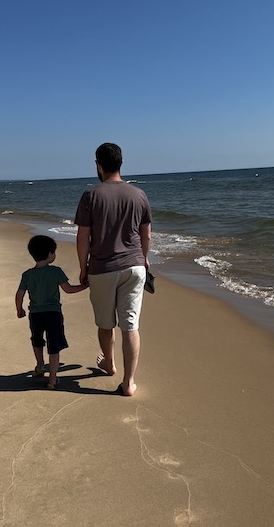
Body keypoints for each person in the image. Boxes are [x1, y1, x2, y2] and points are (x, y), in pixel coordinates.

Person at [75, 142, 152, 396]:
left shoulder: (91, 195)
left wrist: (82, 268)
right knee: (130, 325)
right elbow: (146, 236)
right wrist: (144, 258)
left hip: (102, 268)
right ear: (121, 163)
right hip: (134, 266)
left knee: (105, 323)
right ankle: (129, 383)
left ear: (98, 164)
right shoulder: (139, 194)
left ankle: (109, 364)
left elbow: (83, 237)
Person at [15, 235, 87, 389]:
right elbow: (68, 289)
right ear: (49, 254)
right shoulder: (55, 272)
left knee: (37, 340)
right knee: (54, 346)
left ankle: (40, 365)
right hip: (53, 313)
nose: (54, 255)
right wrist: (85, 286)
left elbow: (19, 294)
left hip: (35, 314)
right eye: (54, 252)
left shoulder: (27, 274)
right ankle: (52, 379)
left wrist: (19, 308)